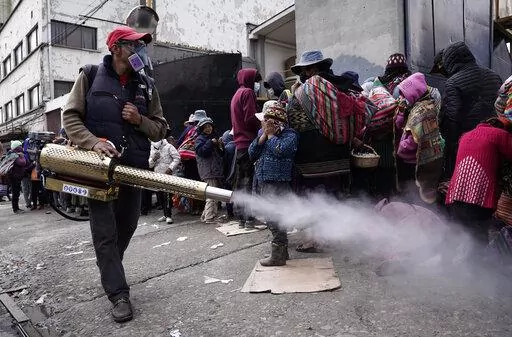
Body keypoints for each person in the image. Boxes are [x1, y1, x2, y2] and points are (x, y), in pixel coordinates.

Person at [62, 26, 168, 322]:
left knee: (129, 224)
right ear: (117, 48)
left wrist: (139, 119)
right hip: (99, 170)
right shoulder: (91, 75)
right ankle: (119, 294)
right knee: (104, 233)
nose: (141, 53)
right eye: (136, 47)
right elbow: (70, 117)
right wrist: (94, 142)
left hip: (133, 168)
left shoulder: (147, 85)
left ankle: (110, 268)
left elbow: (161, 128)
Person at [436, 41, 502, 179]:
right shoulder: (494, 76)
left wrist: (451, 146)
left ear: (450, 62)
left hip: (469, 142)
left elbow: (452, 118)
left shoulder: (453, 82)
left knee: (467, 182)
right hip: (496, 139)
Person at [446, 117, 512, 251]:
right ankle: (478, 266)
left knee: (459, 232)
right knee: (478, 235)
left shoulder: (466, 135)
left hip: (456, 193)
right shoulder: (501, 135)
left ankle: (451, 264)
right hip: (479, 196)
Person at [248, 101, 298, 266]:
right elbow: (251, 153)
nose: (265, 123)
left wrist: (270, 136)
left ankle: (278, 255)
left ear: (278, 121)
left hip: (278, 183)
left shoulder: (290, 135)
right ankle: (282, 253)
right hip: (264, 181)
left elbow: (280, 150)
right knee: (271, 217)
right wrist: (262, 136)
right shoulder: (263, 133)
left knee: (274, 217)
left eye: (269, 120)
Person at [394, 72, 444, 203]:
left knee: (412, 195)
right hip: (420, 160)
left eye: (405, 94)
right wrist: (401, 111)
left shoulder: (421, 112)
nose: (403, 98)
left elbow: (414, 140)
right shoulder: (420, 106)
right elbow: (399, 124)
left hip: (415, 161)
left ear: (414, 93)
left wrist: (401, 149)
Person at [230, 68, 262, 229]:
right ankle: (249, 218)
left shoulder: (236, 94)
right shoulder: (248, 93)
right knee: (249, 182)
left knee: (242, 182)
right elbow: (250, 118)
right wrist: (262, 122)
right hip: (249, 142)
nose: (257, 84)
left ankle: (242, 218)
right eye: (256, 80)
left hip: (239, 144)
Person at [195, 117, 224, 223]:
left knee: (212, 194)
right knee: (212, 195)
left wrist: (220, 145)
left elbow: (221, 154)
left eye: (209, 126)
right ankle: (209, 217)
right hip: (208, 171)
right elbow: (202, 152)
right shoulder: (200, 139)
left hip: (214, 170)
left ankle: (205, 216)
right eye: (205, 127)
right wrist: (211, 143)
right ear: (201, 129)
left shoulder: (212, 138)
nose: (208, 128)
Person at [148, 134, 180, 224]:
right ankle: (165, 214)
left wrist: (170, 168)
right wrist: (153, 159)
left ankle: (169, 215)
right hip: (158, 175)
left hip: (168, 175)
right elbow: (150, 164)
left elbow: (177, 158)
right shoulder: (152, 148)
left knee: (167, 195)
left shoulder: (169, 146)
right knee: (160, 195)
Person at [6, 140, 27, 213]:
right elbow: (22, 163)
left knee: (16, 192)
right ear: (17, 147)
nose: (21, 147)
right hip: (14, 177)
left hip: (16, 176)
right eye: (20, 146)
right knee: (15, 192)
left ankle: (16, 208)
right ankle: (15, 209)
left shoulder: (14, 154)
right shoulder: (13, 155)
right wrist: (22, 157)